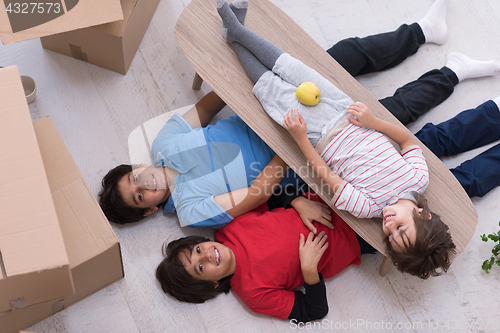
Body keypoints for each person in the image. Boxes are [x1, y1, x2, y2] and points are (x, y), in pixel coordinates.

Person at [99, 0, 500, 233]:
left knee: (341, 56)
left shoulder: (163, 144)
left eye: (134, 176)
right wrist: (292, 141)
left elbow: (207, 107)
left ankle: (421, 31)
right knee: (398, 108)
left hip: (271, 116)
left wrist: (241, 67)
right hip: (296, 157)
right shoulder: (189, 209)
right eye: (140, 194)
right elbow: (255, 196)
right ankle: (453, 71)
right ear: (151, 209)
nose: (143, 182)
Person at [215, 0, 500, 278]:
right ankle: (236, 31)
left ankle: (235, 33)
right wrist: (373, 121)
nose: (389, 227)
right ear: (423, 215)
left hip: (318, 132)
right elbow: (408, 141)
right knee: (291, 66)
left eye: (389, 237)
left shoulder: (367, 208)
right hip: (348, 111)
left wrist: (301, 138)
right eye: (400, 228)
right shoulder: (418, 179)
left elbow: (324, 173)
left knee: (269, 88)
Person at [156, 191, 365, 322]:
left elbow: (269, 194)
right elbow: (313, 312)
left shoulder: (228, 226)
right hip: (357, 236)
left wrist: (297, 201)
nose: (206, 256)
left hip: (329, 193)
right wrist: (310, 270)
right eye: (200, 268)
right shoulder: (254, 295)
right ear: (212, 284)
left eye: (198, 250)